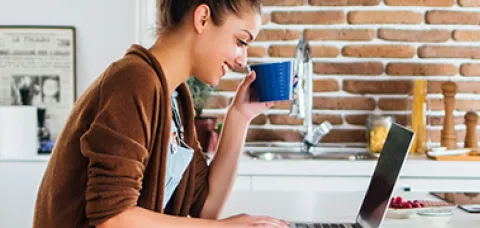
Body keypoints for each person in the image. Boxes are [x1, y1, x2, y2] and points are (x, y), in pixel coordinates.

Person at [32, 0, 290, 227]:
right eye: (240, 41)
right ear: (202, 19)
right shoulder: (134, 80)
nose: (242, 60)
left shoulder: (176, 98)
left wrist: (239, 116)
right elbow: (113, 218)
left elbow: (205, 207)